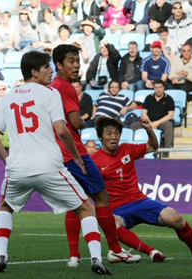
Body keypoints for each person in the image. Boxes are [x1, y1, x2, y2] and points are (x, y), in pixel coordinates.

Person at [0, 50, 111, 275]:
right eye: (47, 67)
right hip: (49, 166)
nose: (51, 71)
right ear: (34, 72)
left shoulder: (8, 97)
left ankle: (0, 256)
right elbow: (62, 130)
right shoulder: (50, 93)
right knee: (85, 207)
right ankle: (96, 258)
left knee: (5, 206)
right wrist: (75, 156)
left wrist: (8, 160)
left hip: (18, 169)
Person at [50, 44, 140, 268]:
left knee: (76, 203)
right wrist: (83, 121)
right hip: (74, 153)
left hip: (56, 154)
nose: (76, 64)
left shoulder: (51, 87)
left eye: (77, 60)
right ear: (59, 65)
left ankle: (74, 254)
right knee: (101, 197)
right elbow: (75, 121)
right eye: (70, 60)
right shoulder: (65, 87)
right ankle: (116, 250)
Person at [92, 116, 192, 262]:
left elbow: (153, 147)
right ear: (100, 137)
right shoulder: (95, 161)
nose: (114, 137)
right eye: (109, 133)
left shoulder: (127, 149)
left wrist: (149, 129)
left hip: (139, 201)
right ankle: (150, 251)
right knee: (111, 224)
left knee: (175, 218)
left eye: (117, 133)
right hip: (117, 208)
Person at [131, 79, 174, 150]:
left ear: (163, 88)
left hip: (162, 122)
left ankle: (166, 150)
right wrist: (150, 123)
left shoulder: (169, 99)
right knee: (134, 125)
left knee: (169, 126)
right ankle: (134, 149)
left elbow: (170, 115)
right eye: (156, 87)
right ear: (153, 88)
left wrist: (157, 123)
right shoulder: (148, 98)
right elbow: (144, 113)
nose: (158, 90)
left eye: (160, 87)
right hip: (148, 121)